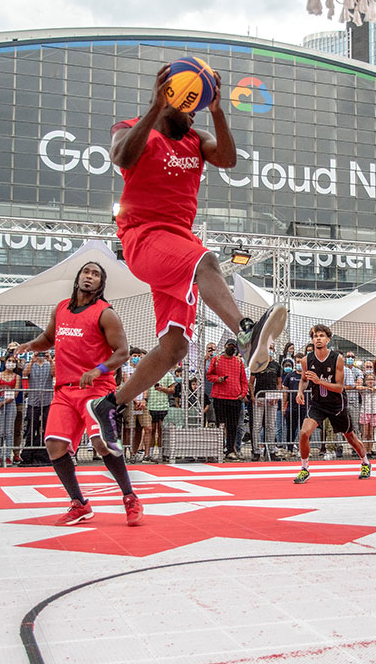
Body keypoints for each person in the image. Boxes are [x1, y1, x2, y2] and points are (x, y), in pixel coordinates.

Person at [87, 64, 286, 455]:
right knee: (207, 262)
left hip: (178, 242)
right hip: (143, 237)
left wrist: (216, 108)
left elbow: (227, 159)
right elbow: (122, 158)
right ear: (168, 101)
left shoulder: (198, 137)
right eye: (188, 106)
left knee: (175, 348)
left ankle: (109, 405)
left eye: (198, 107)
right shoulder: (131, 127)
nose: (192, 113)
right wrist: (154, 106)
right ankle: (246, 332)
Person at [15, 261, 142, 527]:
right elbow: (48, 339)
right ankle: (79, 504)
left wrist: (97, 370)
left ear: (100, 284)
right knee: (54, 446)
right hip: (64, 390)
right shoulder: (61, 308)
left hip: (96, 389)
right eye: (86, 272)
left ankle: (130, 497)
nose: (89, 277)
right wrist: (30, 344)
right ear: (78, 278)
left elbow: (122, 352)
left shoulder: (105, 313)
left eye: (96, 274)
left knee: (103, 444)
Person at [293, 325, 370, 483]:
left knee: (350, 437)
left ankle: (365, 462)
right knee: (303, 433)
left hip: (336, 405)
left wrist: (319, 381)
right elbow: (304, 379)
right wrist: (300, 391)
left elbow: (339, 387)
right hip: (318, 404)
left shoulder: (337, 359)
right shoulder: (306, 360)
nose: (318, 339)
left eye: (321, 336)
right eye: (315, 336)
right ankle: (305, 468)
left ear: (328, 339)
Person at [208, 338, 248, 459]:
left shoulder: (239, 362)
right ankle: (219, 449)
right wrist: (218, 379)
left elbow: (243, 380)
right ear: (225, 346)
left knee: (233, 425)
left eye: (233, 346)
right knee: (219, 424)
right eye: (229, 346)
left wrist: (243, 394)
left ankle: (230, 449)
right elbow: (209, 375)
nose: (230, 348)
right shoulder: (217, 359)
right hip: (219, 397)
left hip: (235, 398)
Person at [21, 350, 54, 465]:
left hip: (47, 400)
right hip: (33, 401)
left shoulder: (50, 364)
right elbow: (24, 374)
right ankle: (28, 455)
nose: (41, 355)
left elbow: (55, 374)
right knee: (31, 427)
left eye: (43, 353)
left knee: (47, 428)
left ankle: (47, 454)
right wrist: (31, 361)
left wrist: (50, 360)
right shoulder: (30, 364)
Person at [249, 346, 281, 460]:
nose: (270, 350)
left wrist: (277, 396)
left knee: (271, 426)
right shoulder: (257, 363)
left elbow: (279, 383)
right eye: (268, 348)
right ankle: (256, 451)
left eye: (272, 348)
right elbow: (251, 382)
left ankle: (271, 451)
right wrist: (253, 397)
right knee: (257, 426)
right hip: (259, 398)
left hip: (272, 399)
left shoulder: (277, 365)